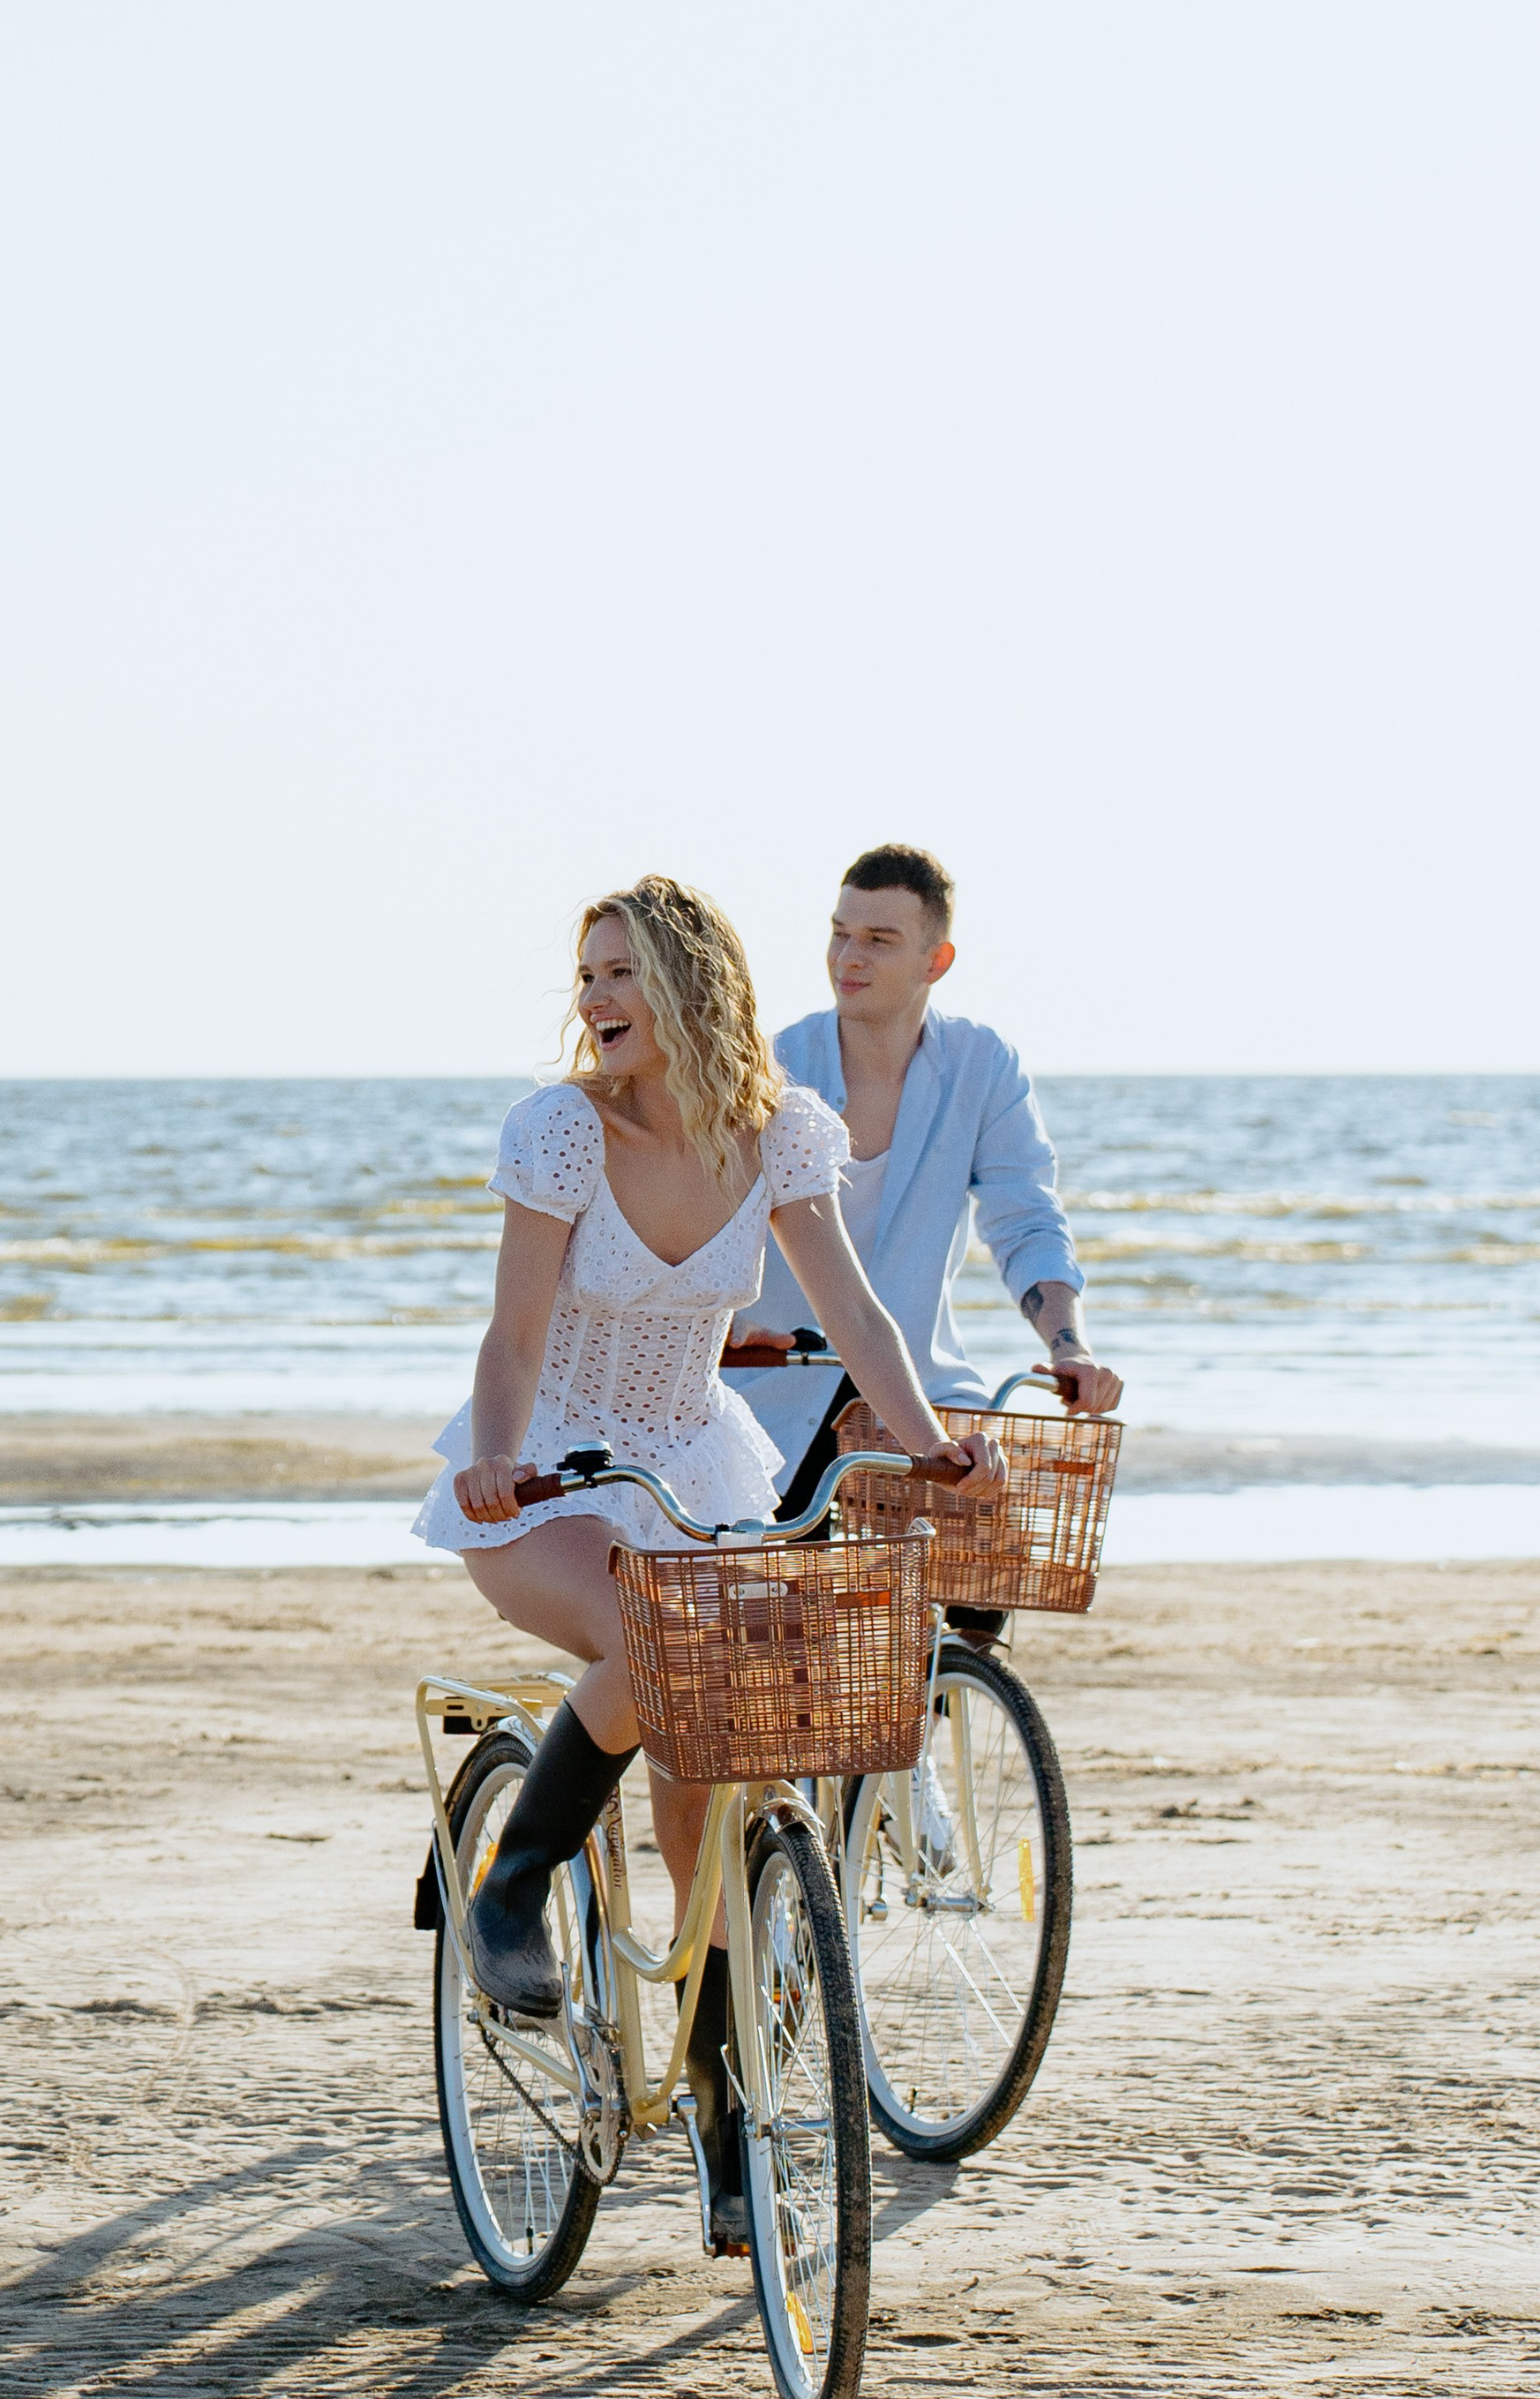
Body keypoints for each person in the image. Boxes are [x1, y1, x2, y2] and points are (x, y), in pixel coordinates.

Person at [411, 874, 1003, 2247]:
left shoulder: (781, 1134)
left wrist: (926, 1446)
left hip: (695, 1461)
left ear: (688, 990)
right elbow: (511, 1337)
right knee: (647, 1644)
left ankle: (729, 2121)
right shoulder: (562, 1134)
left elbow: (857, 1312)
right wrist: (497, 1453)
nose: (594, 998)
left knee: (720, 1774)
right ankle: (514, 1881)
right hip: (553, 1468)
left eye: (621, 974)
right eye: (589, 973)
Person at [722, 845, 1122, 1613]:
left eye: (879, 940)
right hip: (774, 1386)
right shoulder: (771, 1067)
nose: (849, 957)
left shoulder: (982, 1064)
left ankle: (948, 1701)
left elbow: (1025, 1213)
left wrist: (1068, 1346)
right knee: (783, 1628)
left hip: (916, 1384)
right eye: (841, 932)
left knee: (983, 1587)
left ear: (935, 961)